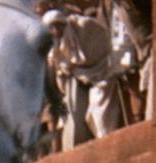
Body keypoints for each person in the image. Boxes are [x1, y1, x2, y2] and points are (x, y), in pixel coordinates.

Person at [44, 8, 122, 150]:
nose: (55, 30)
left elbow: (101, 46)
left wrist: (81, 67)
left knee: (101, 112)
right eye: (51, 28)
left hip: (102, 70)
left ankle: (107, 143)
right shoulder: (53, 44)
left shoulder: (83, 26)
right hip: (78, 77)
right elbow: (59, 68)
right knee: (73, 114)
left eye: (57, 25)